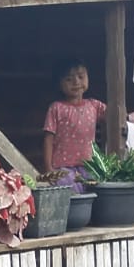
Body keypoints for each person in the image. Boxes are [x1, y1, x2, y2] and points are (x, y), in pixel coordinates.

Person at [42, 58, 109, 188]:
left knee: (96, 191)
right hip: (63, 167)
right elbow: (48, 140)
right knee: (68, 192)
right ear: (60, 83)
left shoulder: (94, 105)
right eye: (69, 79)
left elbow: (113, 117)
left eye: (81, 76)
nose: (76, 82)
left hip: (89, 166)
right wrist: (49, 168)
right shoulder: (56, 108)